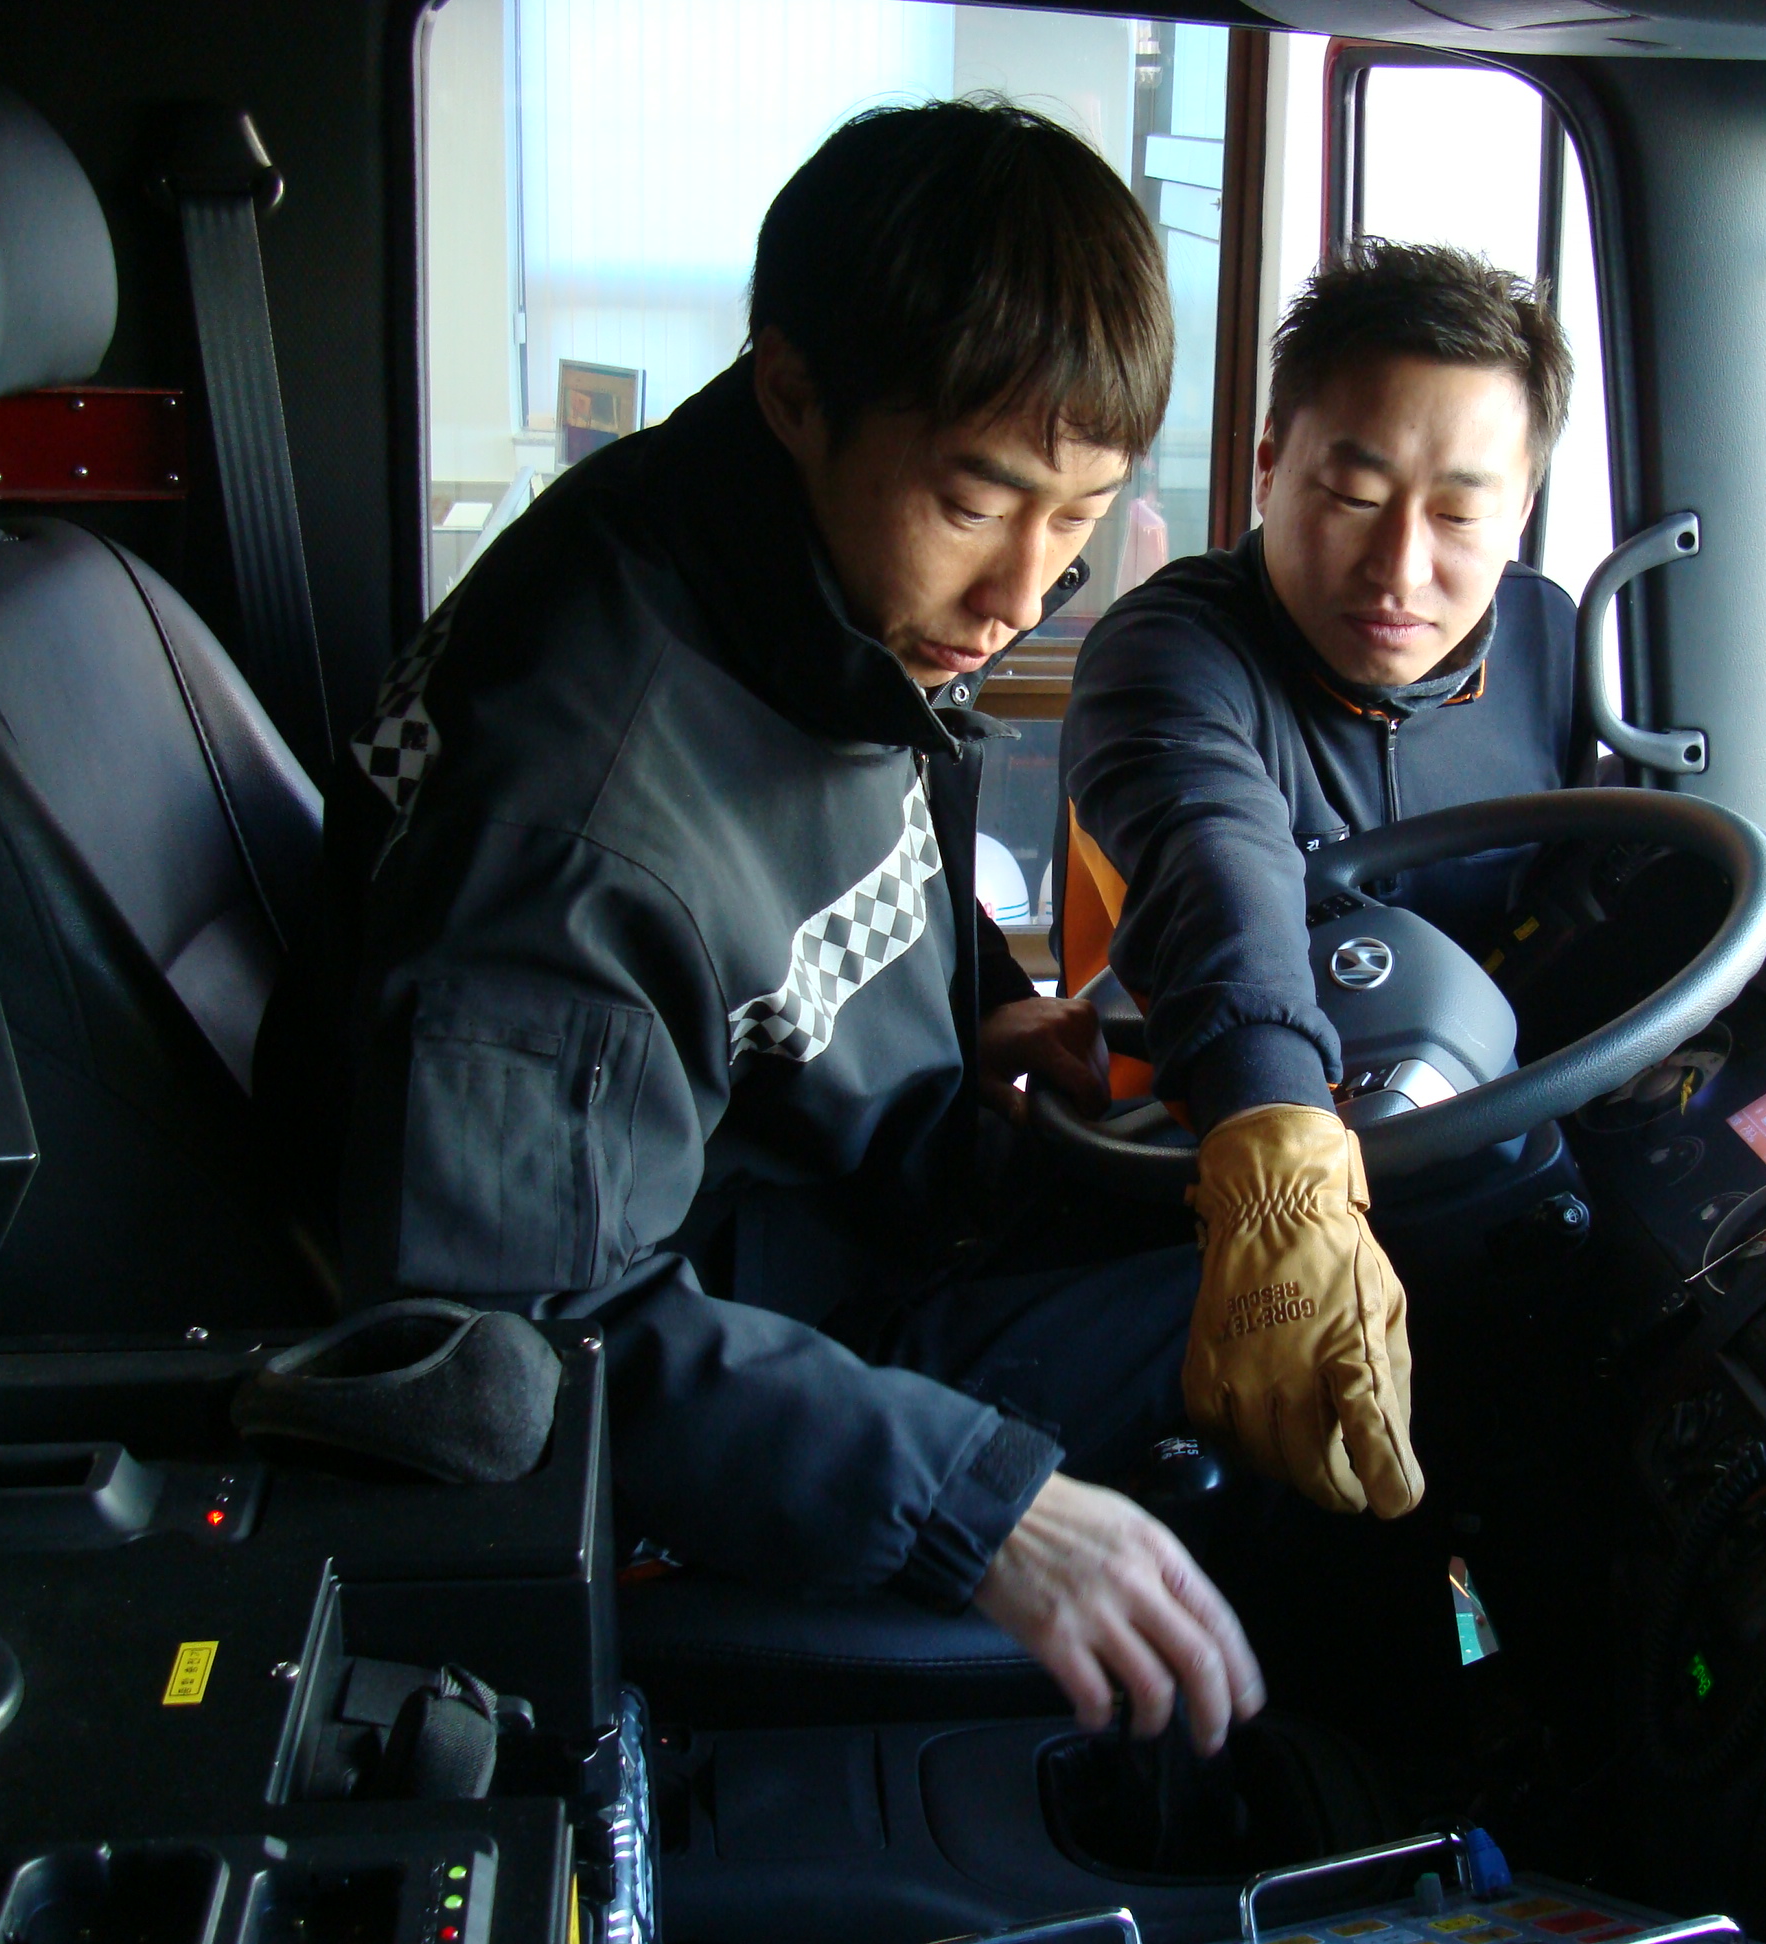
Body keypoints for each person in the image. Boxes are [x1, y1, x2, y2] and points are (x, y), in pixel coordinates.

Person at [271, 102, 1267, 1753]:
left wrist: (977, 1011)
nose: (1026, 590)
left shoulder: (795, 565)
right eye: (979, 502)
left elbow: (828, 887)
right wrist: (982, 1509)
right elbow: (512, 1344)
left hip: (852, 1210)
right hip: (761, 1343)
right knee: (1279, 1330)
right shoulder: (577, 818)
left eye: (1080, 521)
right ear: (794, 390)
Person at [1056, 242, 1590, 1520]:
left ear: (1520, 511)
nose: (1400, 569)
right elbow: (1216, 860)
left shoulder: (1552, 646)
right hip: (1201, 1191)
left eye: (1459, 514)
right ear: (1266, 468)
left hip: (1488, 1186)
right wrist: (1276, 1143)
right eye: (1352, 494)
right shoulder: (1173, 649)